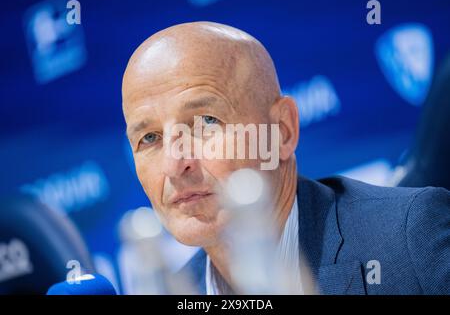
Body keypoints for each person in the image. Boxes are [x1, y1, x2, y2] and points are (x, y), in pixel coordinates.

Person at [122, 21, 450, 294]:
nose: (174, 165)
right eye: (149, 138)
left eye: (207, 122)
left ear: (283, 130)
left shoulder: (408, 241)